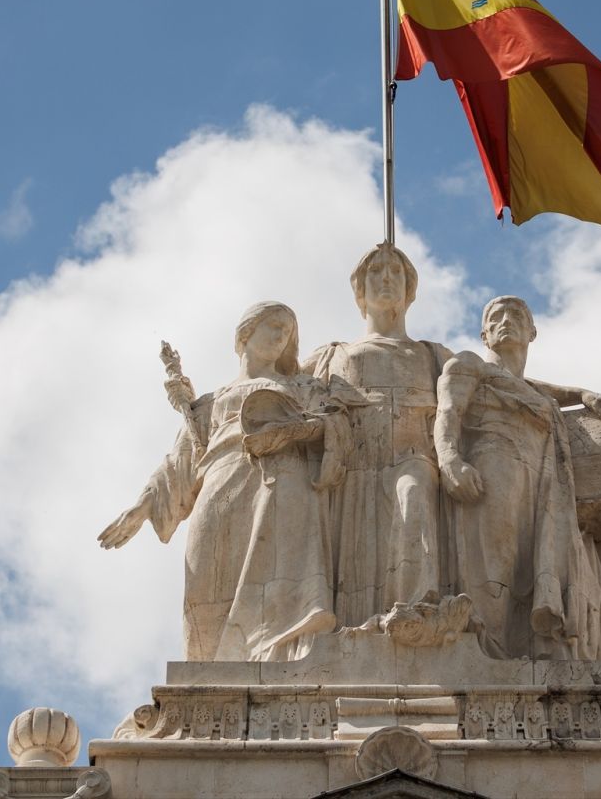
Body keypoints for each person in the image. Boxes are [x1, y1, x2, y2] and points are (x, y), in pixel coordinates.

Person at [97, 301, 348, 662]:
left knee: (282, 586)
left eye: (287, 331)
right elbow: (180, 461)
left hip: (283, 484)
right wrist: (142, 507)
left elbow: (335, 427)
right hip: (218, 485)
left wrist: (298, 430)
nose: (280, 336)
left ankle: (282, 663)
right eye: (274, 325)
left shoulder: (304, 387)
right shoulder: (211, 402)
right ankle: (209, 667)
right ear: (245, 333)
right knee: (205, 582)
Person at [434, 296, 601, 660]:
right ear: (484, 335)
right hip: (492, 468)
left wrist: (580, 394)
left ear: (532, 332)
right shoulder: (467, 364)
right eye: (496, 316)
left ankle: (524, 649)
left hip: (543, 486)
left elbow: (529, 386)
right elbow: (448, 411)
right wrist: (449, 458)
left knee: (530, 568)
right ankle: (488, 653)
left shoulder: (534, 393)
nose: (506, 321)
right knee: (493, 564)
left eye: (516, 315)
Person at [304, 244, 453, 628]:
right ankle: (358, 629)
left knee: (413, 497)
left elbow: (495, 386)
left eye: (396, 271)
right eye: (376, 270)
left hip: (413, 456)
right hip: (352, 467)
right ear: (359, 290)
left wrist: (569, 395)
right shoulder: (333, 355)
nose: (386, 277)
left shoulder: (434, 356)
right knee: (357, 553)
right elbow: (281, 387)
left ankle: (417, 612)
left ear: (410, 290)